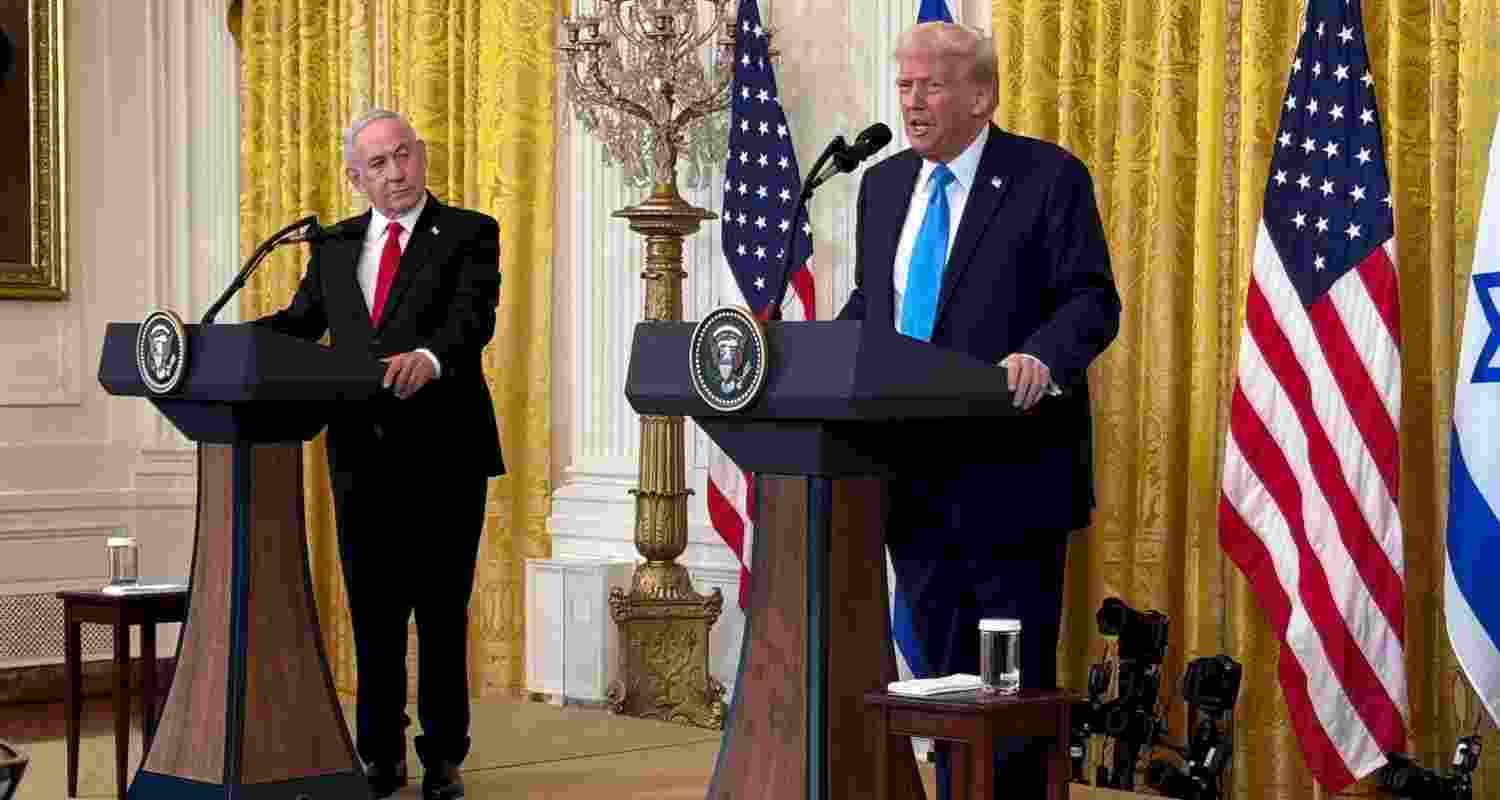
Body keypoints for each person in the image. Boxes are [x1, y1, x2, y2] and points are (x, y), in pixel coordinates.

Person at [837, 22, 1120, 799]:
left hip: (1012, 478)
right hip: (911, 478)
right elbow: (877, 304)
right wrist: (822, 353)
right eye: (904, 85)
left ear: (982, 94)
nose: (913, 101)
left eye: (930, 84)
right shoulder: (885, 185)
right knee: (940, 682)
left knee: (1010, 691)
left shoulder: (1048, 177)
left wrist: (1044, 356)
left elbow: (1092, 300)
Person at [257, 108, 503, 800]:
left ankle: (445, 756)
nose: (397, 173)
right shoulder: (334, 246)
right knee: (374, 613)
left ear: (421, 155)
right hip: (361, 455)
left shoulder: (468, 233)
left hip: (445, 453)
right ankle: (379, 756)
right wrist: (218, 342)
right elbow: (300, 325)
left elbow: (472, 317)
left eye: (404, 156)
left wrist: (430, 357)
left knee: (440, 610)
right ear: (355, 177)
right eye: (380, 164)